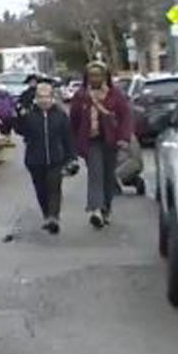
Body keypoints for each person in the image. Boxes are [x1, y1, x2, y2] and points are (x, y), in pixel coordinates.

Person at [69, 60, 133, 229]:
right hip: (91, 141)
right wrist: (73, 143)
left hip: (111, 140)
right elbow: (73, 120)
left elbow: (125, 117)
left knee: (108, 176)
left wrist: (124, 138)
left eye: (98, 75)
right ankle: (95, 209)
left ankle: (106, 208)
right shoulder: (81, 96)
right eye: (92, 76)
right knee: (95, 173)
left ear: (105, 77)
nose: (95, 79)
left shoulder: (115, 95)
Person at [15, 83, 76, 234]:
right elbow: (20, 131)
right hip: (35, 160)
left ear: (52, 98)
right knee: (41, 189)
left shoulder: (60, 116)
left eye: (47, 97)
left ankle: (54, 217)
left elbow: (68, 138)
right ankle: (47, 215)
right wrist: (18, 117)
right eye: (41, 97)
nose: (44, 101)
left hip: (56, 159)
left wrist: (71, 157)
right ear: (36, 99)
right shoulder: (30, 115)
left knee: (54, 186)